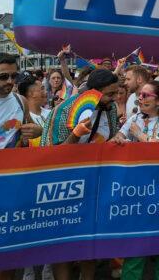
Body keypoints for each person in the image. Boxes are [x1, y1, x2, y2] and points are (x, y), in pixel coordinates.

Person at [42, 68, 122, 280]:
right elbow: (54, 154)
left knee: (90, 240)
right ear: (94, 92)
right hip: (63, 184)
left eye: (116, 93)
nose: (115, 98)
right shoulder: (65, 110)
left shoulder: (111, 109)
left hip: (95, 183)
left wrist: (116, 142)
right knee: (63, 244)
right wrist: (76, 134)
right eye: (110, 94)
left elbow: (110, 137)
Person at [113, 78, 159, 280]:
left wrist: (139, 136)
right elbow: (119, 135)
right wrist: (118, 137)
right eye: (139, 95)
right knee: (135, 245)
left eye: (145, 95)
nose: (140, 99)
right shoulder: (134, 118)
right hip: (136, 191)